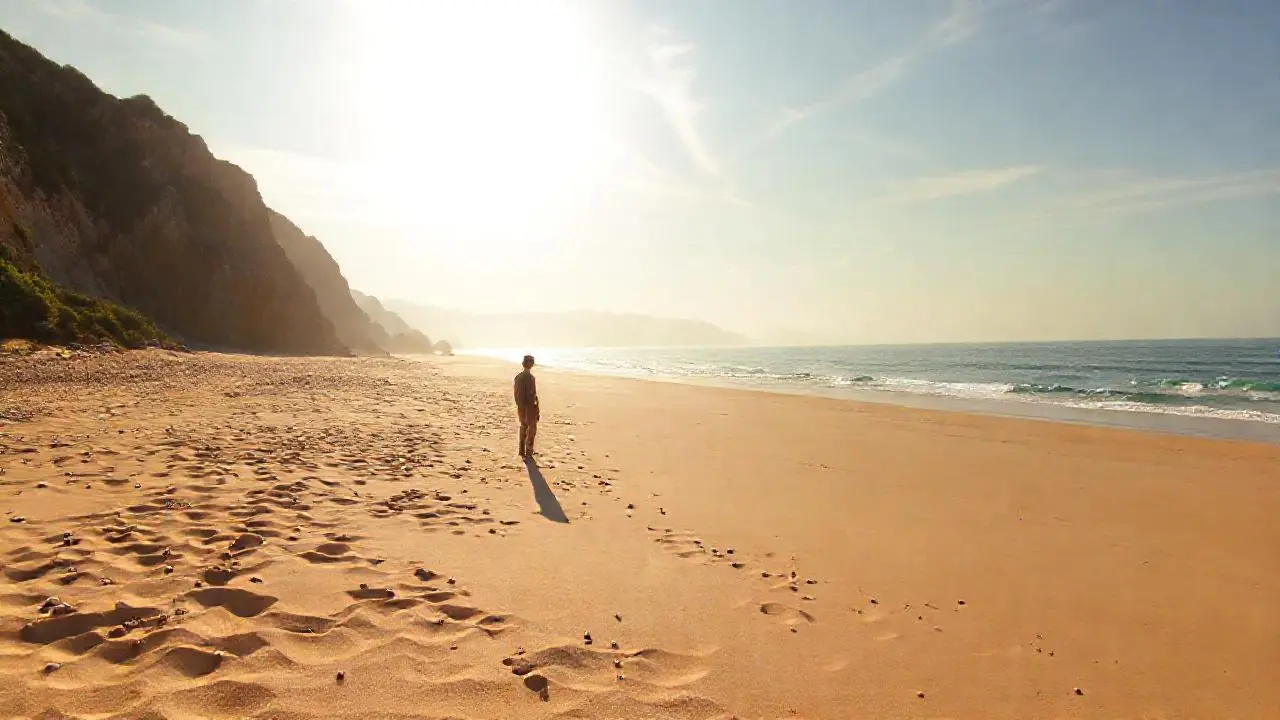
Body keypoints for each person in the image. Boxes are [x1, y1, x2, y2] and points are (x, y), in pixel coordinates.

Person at [514, 354, 539, 458]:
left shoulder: (519, 377)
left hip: (524, 406)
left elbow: (517, 394)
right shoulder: (529, 378)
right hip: (528, 407)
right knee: (531, 429)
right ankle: (528, 451)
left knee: (524, 427)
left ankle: (522, 450)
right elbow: (532, 395)